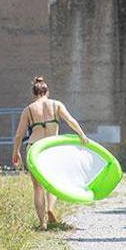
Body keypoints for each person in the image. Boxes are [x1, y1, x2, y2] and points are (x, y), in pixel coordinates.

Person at [12, 76, 89, 230]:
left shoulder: (29, 110)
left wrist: (16, 152)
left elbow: (19, 134)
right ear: (47, 92)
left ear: (34, 94)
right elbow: (71, 120)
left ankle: (42, 224)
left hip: (34, 148)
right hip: (52, 148)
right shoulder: (56, 104)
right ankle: (50, 209)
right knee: (53, 182)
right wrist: (82, 134)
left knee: (38, 188)